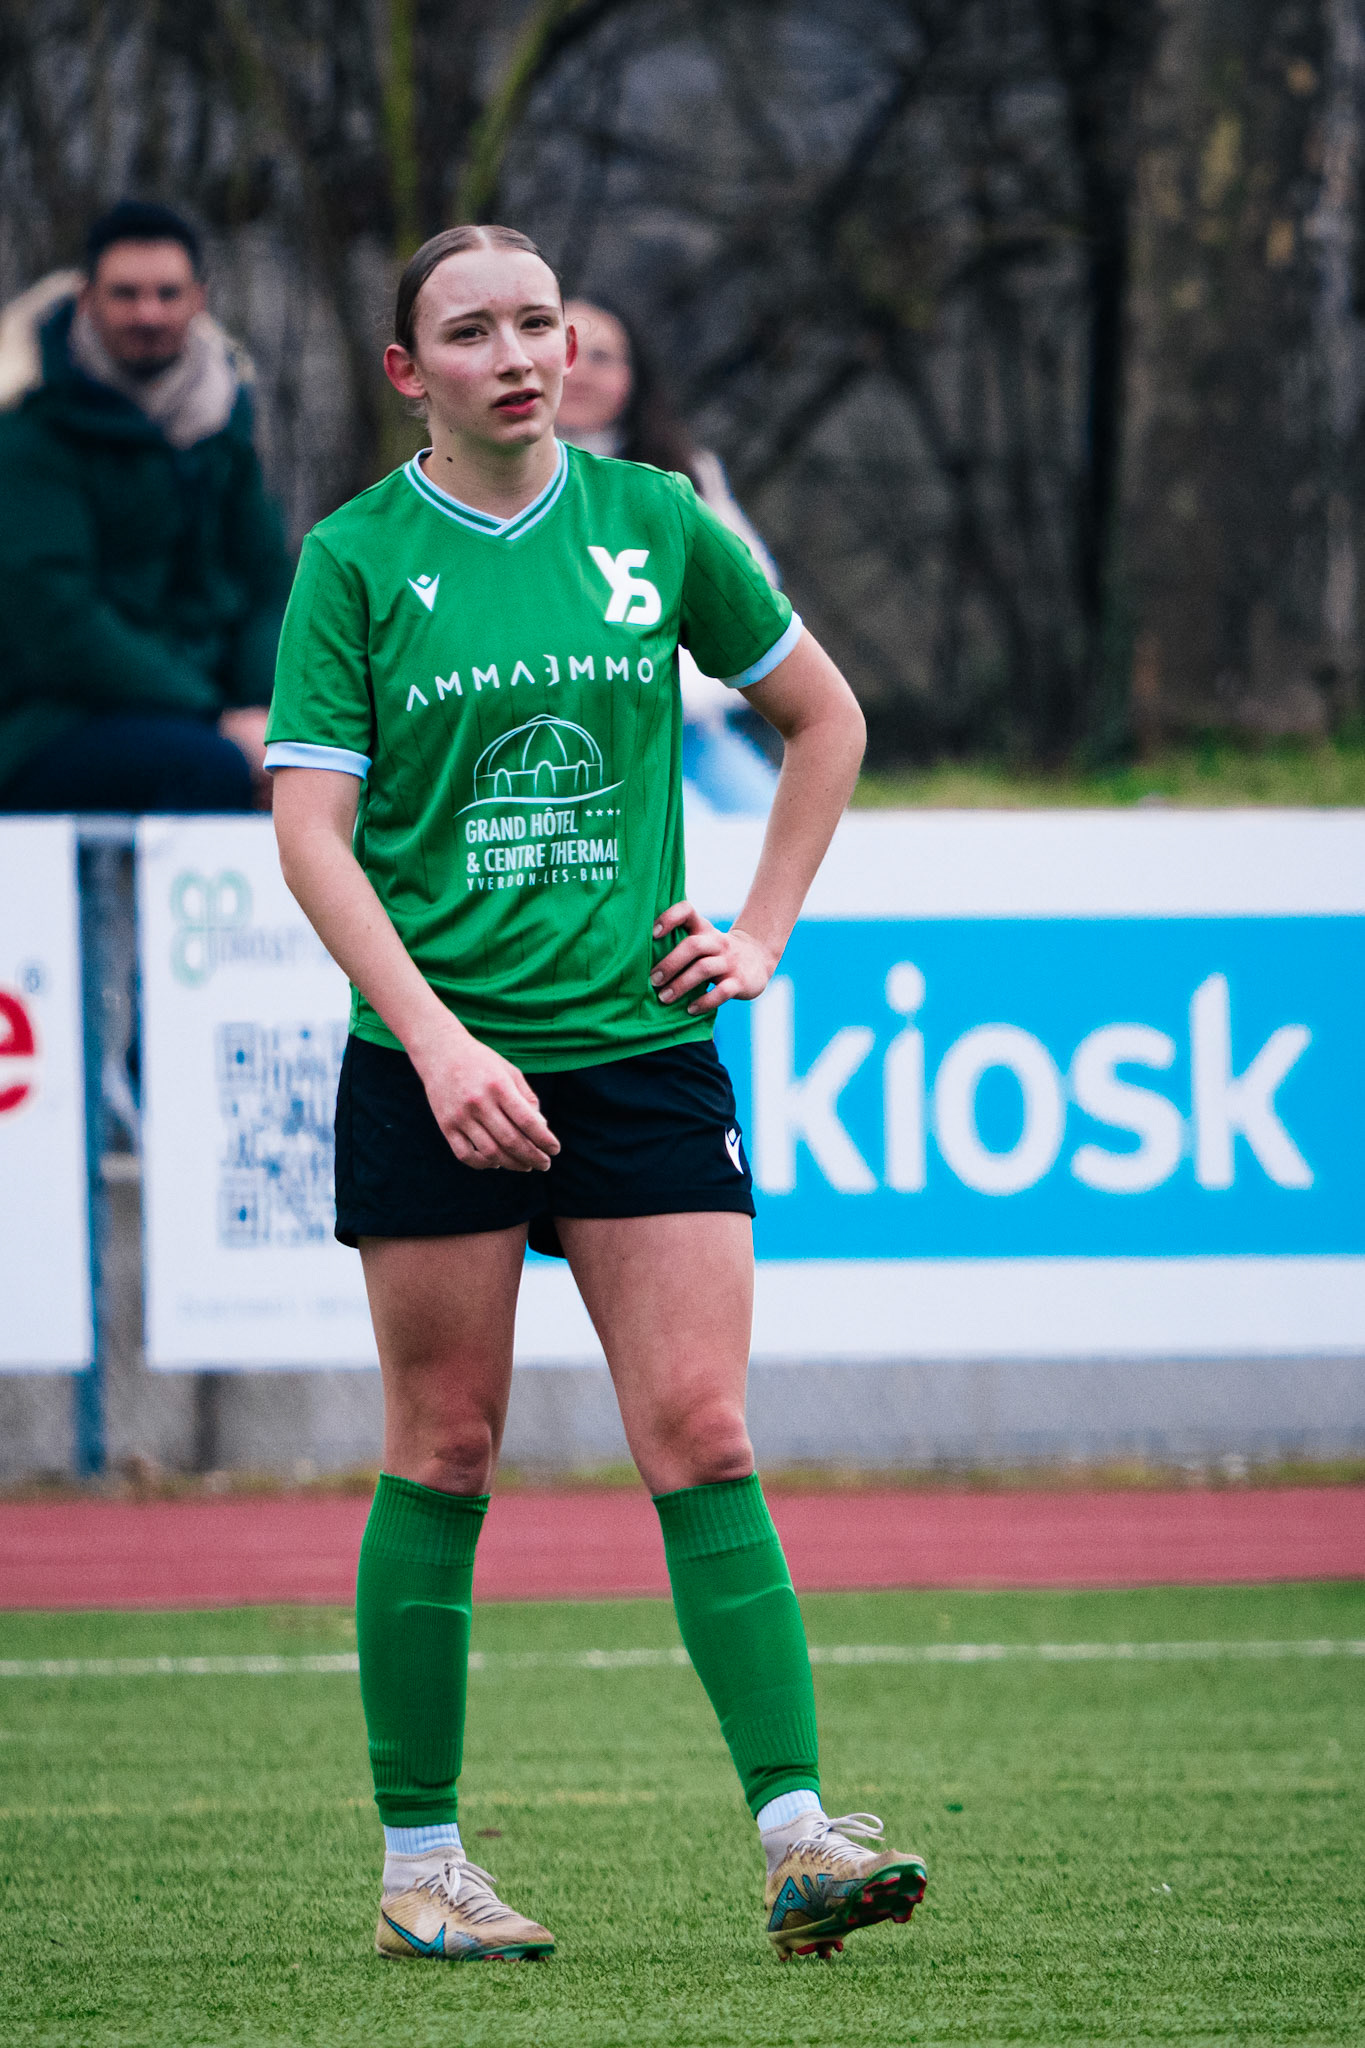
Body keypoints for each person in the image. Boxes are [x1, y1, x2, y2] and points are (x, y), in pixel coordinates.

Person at [266, 223, 927, 1965]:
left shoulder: (652, 525)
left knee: (704, 1431)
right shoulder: (354, 560)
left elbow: (825, 717)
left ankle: (798, 1837)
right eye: (471, 329)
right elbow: (310, 835)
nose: (518, 352)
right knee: (447, 1446)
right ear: (410, 372)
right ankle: (424, 1866)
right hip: (435, 1063)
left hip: (638, 1053)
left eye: (539, 320)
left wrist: (764, 933)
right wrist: (436, 1038)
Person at [0, 201, 292, 813]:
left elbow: (269, 588)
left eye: (167, 293)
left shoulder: (225, 427)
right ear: (87, 299)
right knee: (204, 768)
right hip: (52, 724)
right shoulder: (29, 435)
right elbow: (60, 623)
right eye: (126, 294)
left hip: (213, 713)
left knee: (332, 761)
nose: (148, 313)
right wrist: (216, 718)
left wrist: (269, 716)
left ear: (199, 299)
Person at [556, 295, 781, 814]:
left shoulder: (684, 477)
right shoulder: (490, 483)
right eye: (567, 351)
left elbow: (749, 597)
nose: (581, 372)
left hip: (683, 730)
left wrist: (676, 696)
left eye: (602, 357)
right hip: (565, 738)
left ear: (635, 374)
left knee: (766, 829)